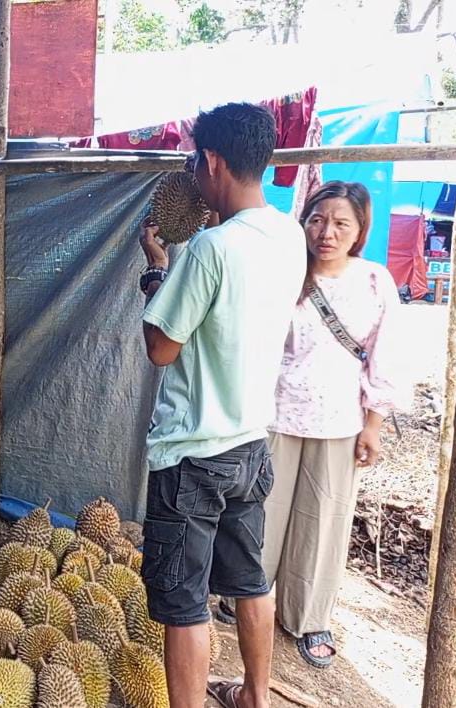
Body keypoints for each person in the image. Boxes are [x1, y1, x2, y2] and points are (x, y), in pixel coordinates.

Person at [138, 102, 305, 708]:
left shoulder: (210, 247)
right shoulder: (289, 235)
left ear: (211, 160)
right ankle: (256, 696)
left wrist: (156, 270)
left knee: (184, 606)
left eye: (193, 159)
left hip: (193, 453)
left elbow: (161, 347)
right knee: (247, 580)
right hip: (250, 445)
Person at [216, 182, 403, 669]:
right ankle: (244, 598)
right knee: (261, 514)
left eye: (342, 223)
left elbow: (384, 356)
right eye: (318, 220)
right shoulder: (286, 272)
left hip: (340, 420)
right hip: (273, 414)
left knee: (324, 523)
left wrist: (374, 422)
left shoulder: (373, 281)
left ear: (361, 229)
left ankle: (308, 617)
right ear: (303, 221)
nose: (327, 232)